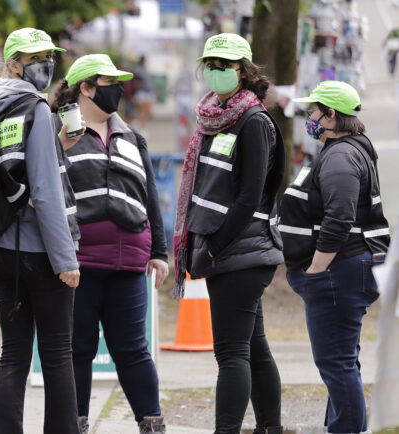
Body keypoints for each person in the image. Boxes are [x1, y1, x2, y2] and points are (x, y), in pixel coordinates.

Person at [172, 33, 286, 434]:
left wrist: (214, 249)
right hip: (234, 251)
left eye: (226, 65)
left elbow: (250, 197)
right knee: (252, 348)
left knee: (231, 353)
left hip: (240, 252)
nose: (217, 71)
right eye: (212, 65)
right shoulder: (213, 117)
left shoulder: (252, 121)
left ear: (244, 70)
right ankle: (270, 427)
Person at [50, 54, 168, 434]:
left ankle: (151, 422)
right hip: (78, 265)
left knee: (133, 350)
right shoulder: (58, 134)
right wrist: (58, 146)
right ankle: (76, 424)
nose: (118, 90)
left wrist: (160, 252)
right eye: (108, 83)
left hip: (129, 264)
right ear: (86, 88)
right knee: (78, 350)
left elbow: (150, 196)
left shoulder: (133, 137)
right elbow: (45, 188)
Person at [0, 27, 82, 434]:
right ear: (12, 62)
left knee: (14, 353)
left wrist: (55, 143)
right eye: (33, 56)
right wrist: (66, 259)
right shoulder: (37, 109)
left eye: (47, 55)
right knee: (58, 353)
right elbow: (44, 191)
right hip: (39, 252)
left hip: (0, 247)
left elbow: (14, 165)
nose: (44, 63)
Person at [282, 81, 391, 434]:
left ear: (331, 115)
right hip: (344, 269)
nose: (308, 117)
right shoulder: (343, 149)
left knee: (335, 362)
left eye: (313, 111)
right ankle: (342, 427)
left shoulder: (342, 156)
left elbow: (340, 217)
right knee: (342, 360)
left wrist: (316, 269)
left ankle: (347, 429)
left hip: (338, 270)